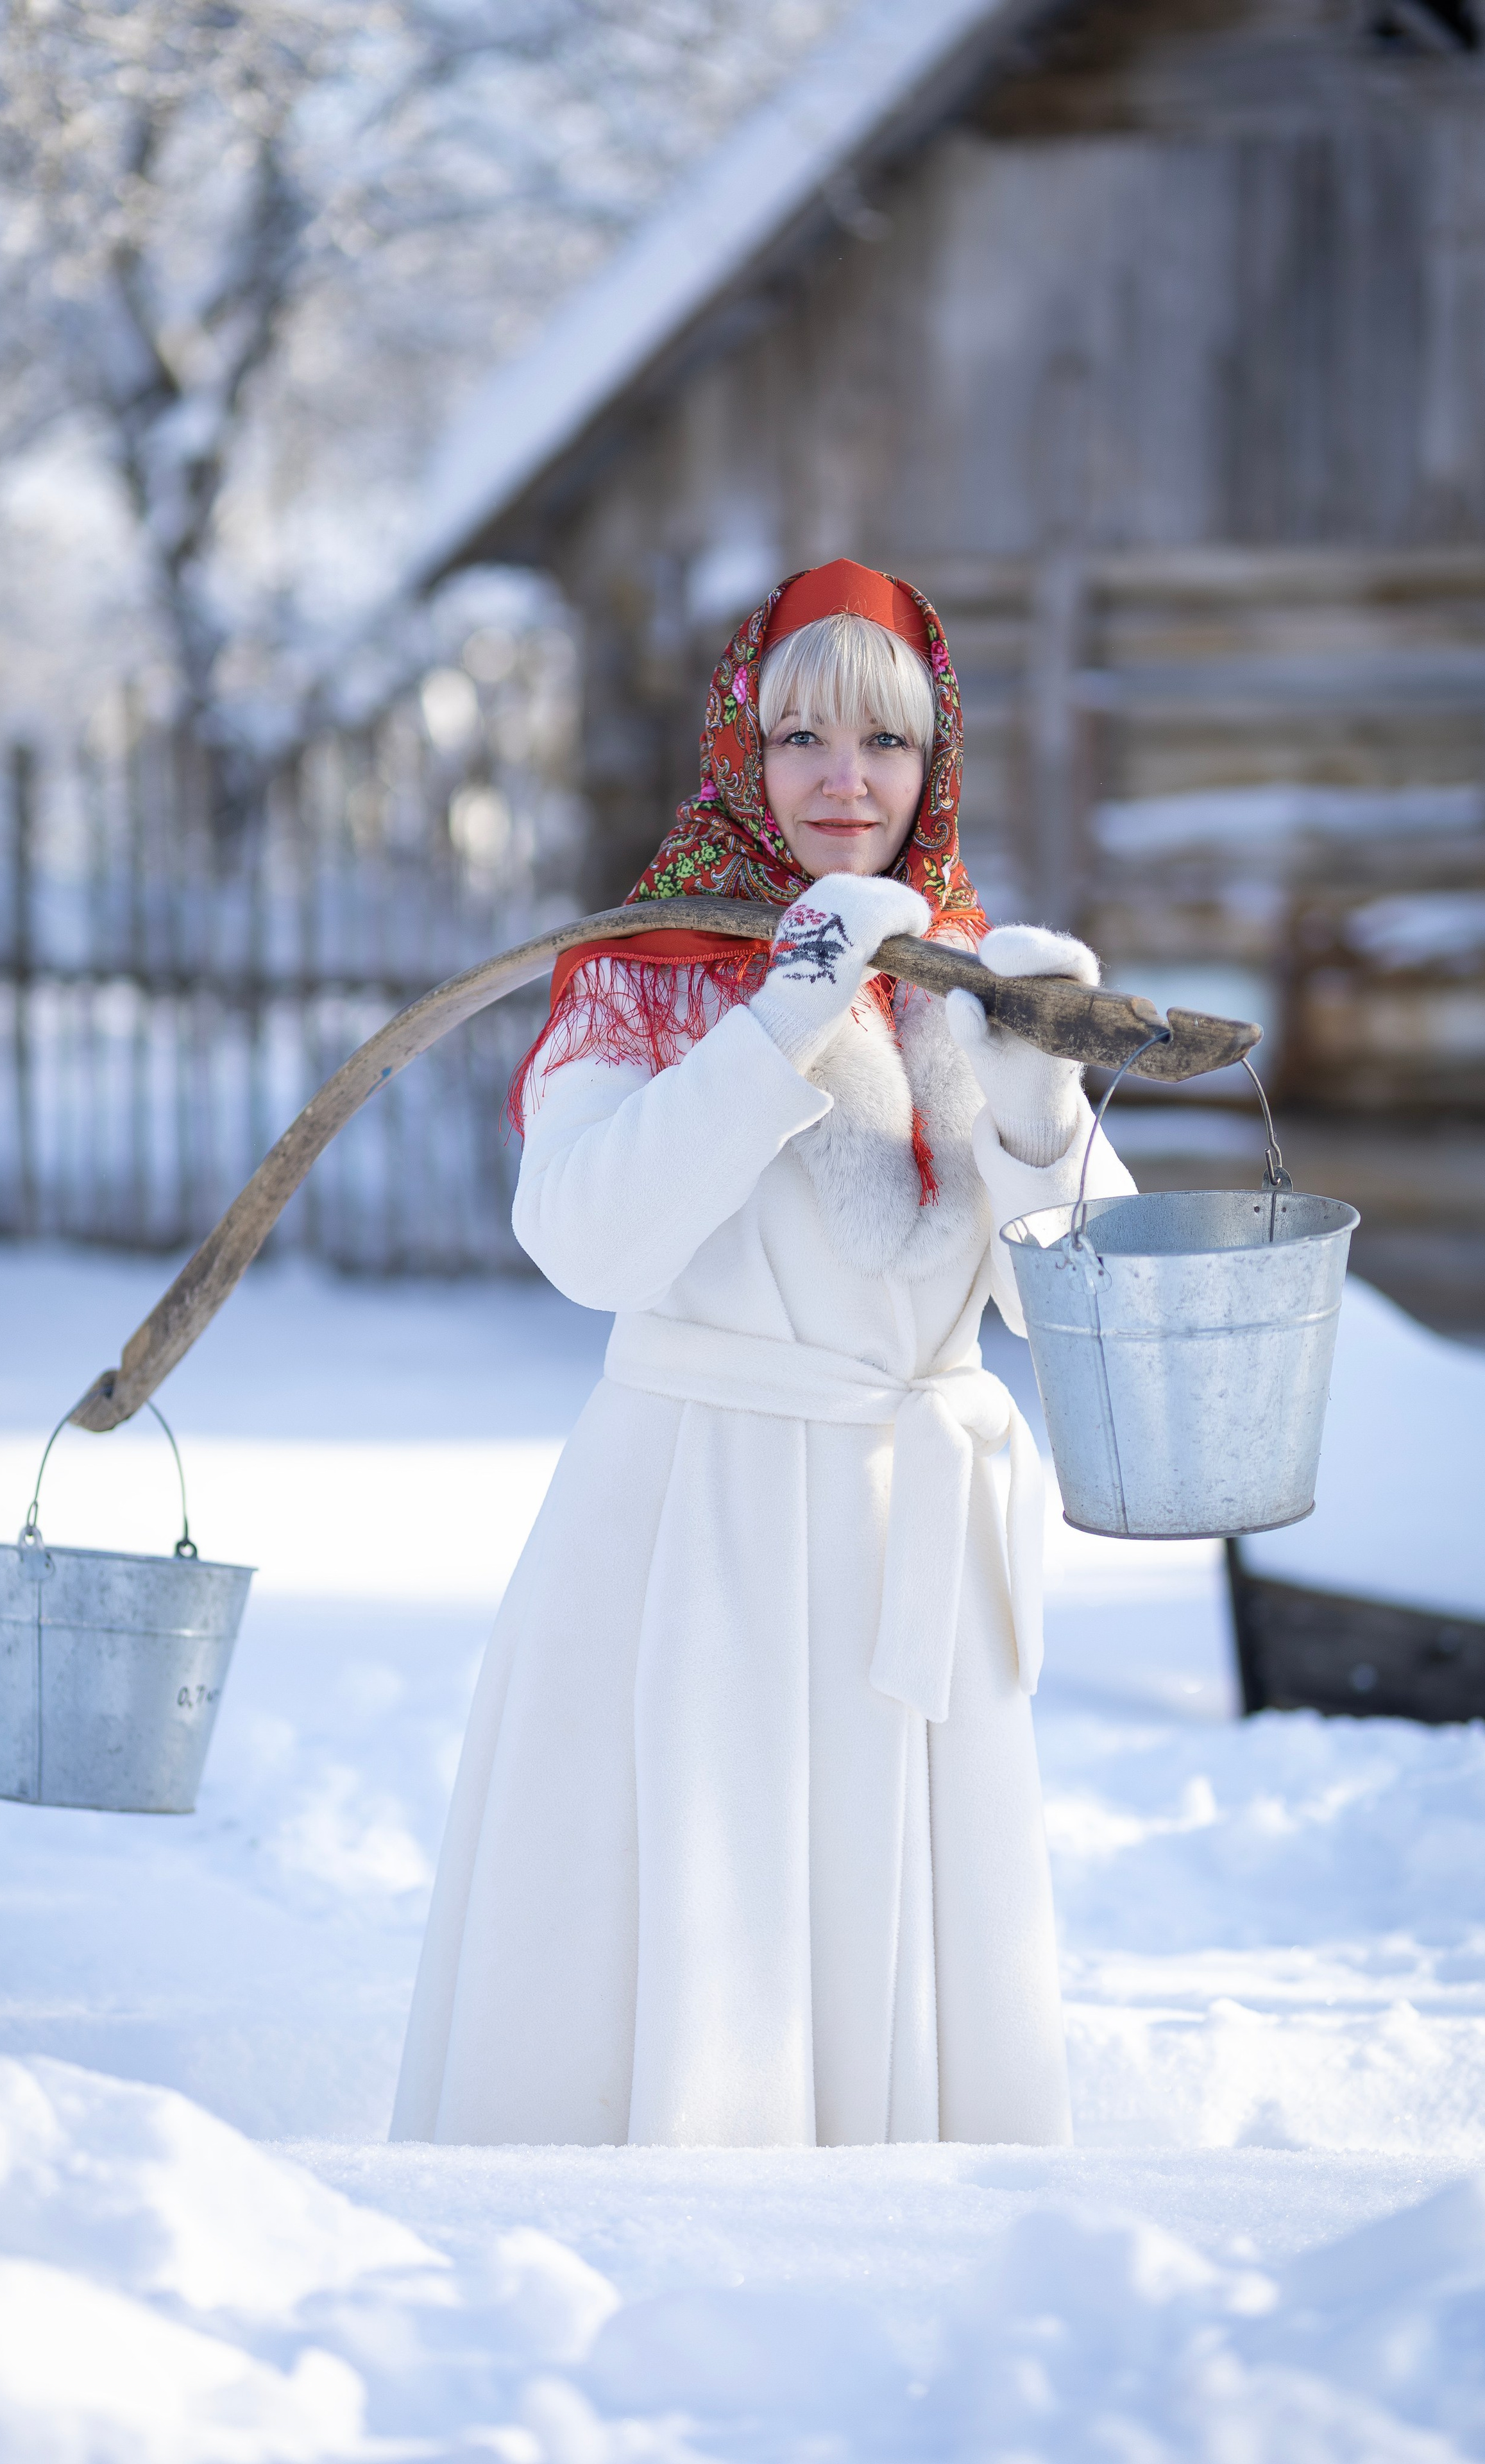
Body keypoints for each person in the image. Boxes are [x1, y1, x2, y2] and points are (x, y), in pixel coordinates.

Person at [391, 559, 1133, 2150]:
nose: (844, 783)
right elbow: (584, 1239)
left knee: (899, 1970)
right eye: (801, 739)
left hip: (902, 1550)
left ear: (935, 762)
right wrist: (777, 1013)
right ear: (741, 748)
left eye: (885, 744)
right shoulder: (647, 976)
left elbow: (1073, 1307)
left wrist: (1036, 1095)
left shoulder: (960, 979)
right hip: (693, 1539)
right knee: (686, 1925)